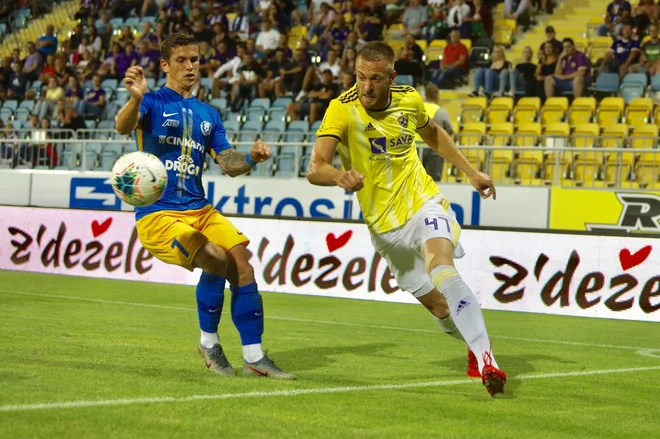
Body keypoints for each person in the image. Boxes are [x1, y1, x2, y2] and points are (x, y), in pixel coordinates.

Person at [306, 41, 507, 397]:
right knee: (440, 307)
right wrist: (338, 176)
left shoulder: (409, 98)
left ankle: (487, 359)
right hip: (385, 229)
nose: (366, 87)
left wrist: (471, 172)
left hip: (422, 202)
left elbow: (432, 134)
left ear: (391, 77)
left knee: (442, 269)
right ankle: (472, 346)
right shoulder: (342, 109)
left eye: (376, 79)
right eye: (361, 77)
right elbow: (315, 168)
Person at [115, 33, 294, 380]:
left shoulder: (208, 114)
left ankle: (255, 357)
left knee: (241, 260)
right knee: (214, 256)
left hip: (200, 209)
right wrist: (135, 100)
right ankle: (209, 343)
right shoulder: (150, 103)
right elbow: (124, 126)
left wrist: (251, 158)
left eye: (194, 60)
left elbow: (227, 163)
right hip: (159, 214)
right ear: (166, 65)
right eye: (181, 60)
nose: (190, 66)